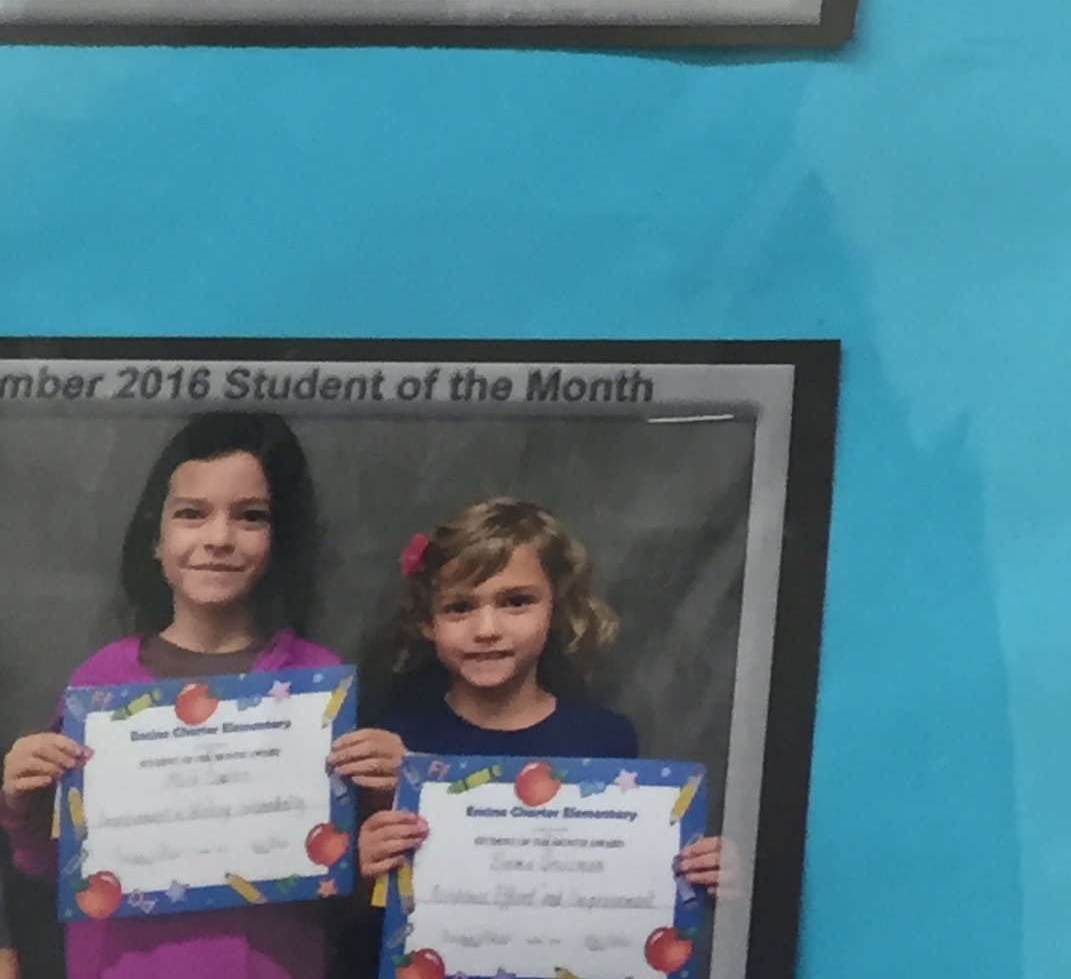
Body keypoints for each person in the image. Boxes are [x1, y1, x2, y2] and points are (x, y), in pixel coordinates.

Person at [0, 412, 402, 979]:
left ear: (280, 537)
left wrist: (392, 802)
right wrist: (21, 801)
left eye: (251, 516)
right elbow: (54, 867)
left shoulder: (317, 686)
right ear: (156, 536)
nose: (218, 539)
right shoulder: (102, 684)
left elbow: (342, 896)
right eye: (192, 513)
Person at [352, 499, 723, 891]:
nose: (486, 629)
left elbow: (621, 875)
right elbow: (366, 907)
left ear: (556, 609)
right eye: (459, 607)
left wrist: (694, 872)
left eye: (516, 602)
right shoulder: (392, 746)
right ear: (427, 622)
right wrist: (365, 866)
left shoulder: (603, 739)